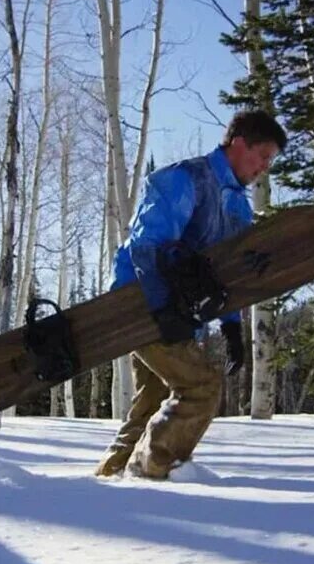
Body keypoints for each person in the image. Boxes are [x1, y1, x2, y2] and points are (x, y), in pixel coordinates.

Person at [94, 110, 286, 479]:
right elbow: (146, 247)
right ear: (238, 143)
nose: (264, 167)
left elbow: (226, 272)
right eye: (262, 156)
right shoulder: (185, 179)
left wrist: (231, 327)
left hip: (178, 314)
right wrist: (161, 309)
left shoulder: (238, 207)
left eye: (270, 161)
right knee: (200, 386)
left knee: (151, 402)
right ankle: (151, 471)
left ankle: (106, 481)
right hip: (138, 303)